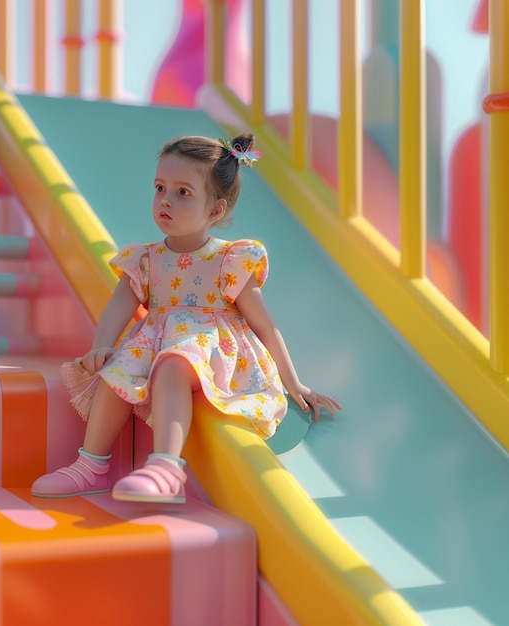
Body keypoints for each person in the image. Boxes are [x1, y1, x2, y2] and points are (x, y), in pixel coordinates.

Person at [31, 132, 341, 503]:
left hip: (213, 350)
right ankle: (90, 465)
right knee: (118, 368)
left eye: (183, 193)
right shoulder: (145, 259)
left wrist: (295, 384)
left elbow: (265, 325)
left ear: (215, 210)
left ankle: (166, 468)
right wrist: (102, 347)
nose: (165, 200)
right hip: (157, 343)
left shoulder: (230, 260)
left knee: (173, 364)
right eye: (160, 187)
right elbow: (118, 308)